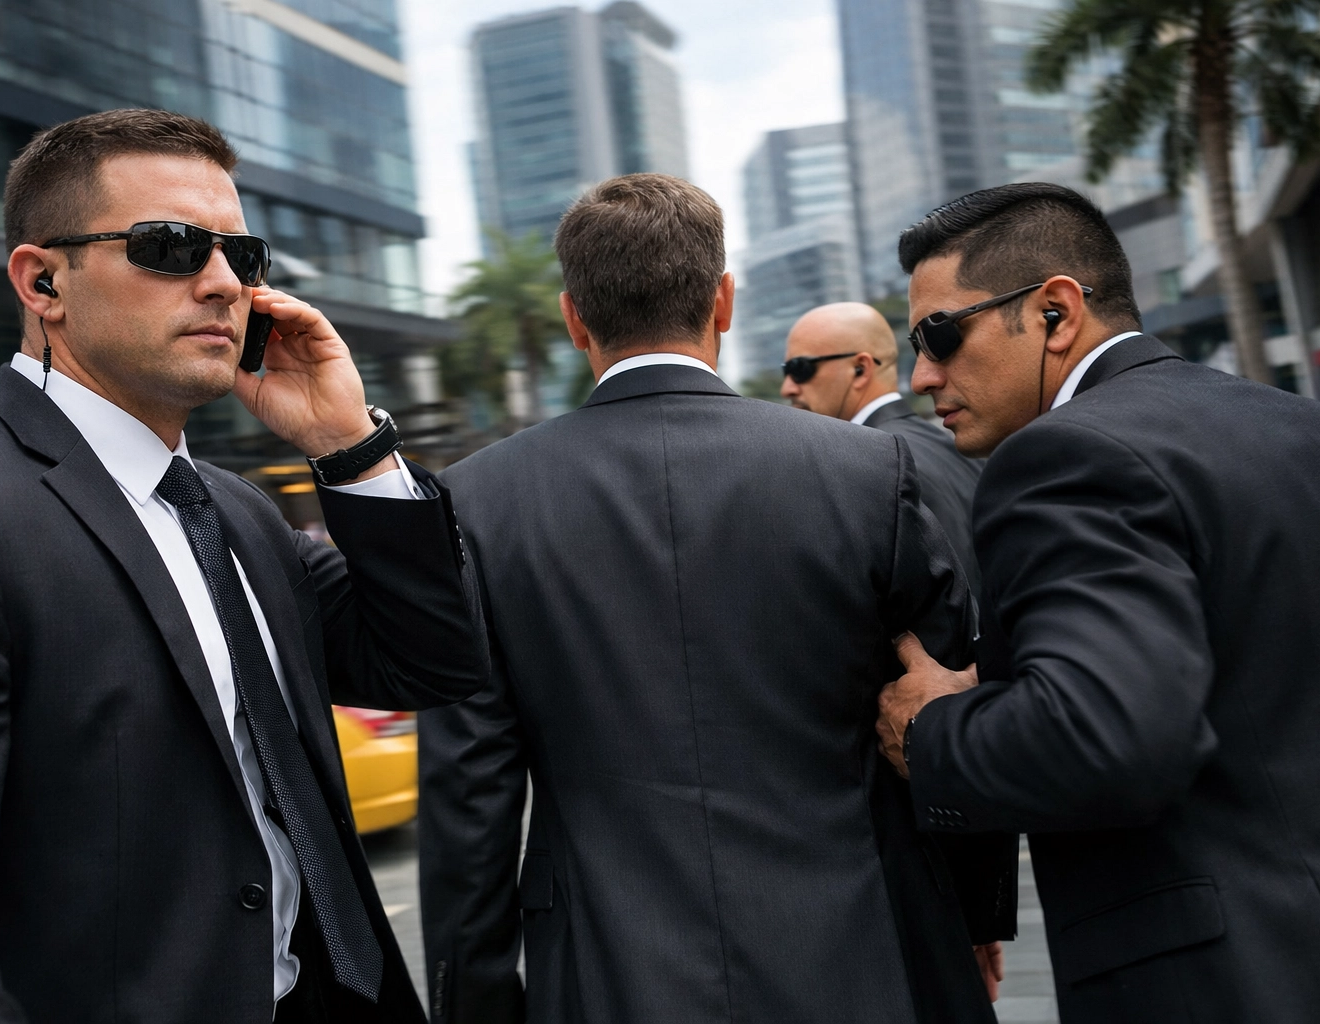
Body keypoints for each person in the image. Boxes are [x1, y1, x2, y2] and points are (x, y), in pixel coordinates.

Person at [0, 109, 488, 1023]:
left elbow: (431, 661)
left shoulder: (239, 512)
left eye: (242, 255)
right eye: (174, 246)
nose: (225, 283)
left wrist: (350, 448)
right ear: (43, 282)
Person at [418, 173, 1012, 1024]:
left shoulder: (475, 501)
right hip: (862, 946)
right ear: (724, 302)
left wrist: (472, 1004)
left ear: (573, 317)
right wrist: (974, 912)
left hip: (606, 971)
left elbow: (468, 795)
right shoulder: (868, 473)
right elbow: (949, 695)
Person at [875, 182, 1320, 1023]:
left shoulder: (1065, 457)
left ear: (1055, 313)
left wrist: (932, 732)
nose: (923, 373)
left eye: (940, 334)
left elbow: (1106, 736)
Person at [782, 302, 983, 595]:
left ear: (860, 369)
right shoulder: (956, 447)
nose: (787, 387)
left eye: (800, 369)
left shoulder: (864, 463)